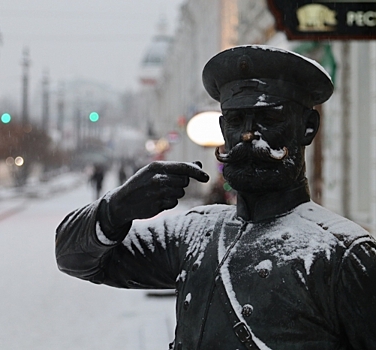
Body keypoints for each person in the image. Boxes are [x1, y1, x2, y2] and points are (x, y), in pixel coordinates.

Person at [55, 45, 376, 349]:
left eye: (269, 118)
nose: (249, 135)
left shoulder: (343, 255)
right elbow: (75, 259)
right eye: (237, 121)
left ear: (307, 127)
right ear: (223, 128)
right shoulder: (192, 234)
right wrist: (116, 208)